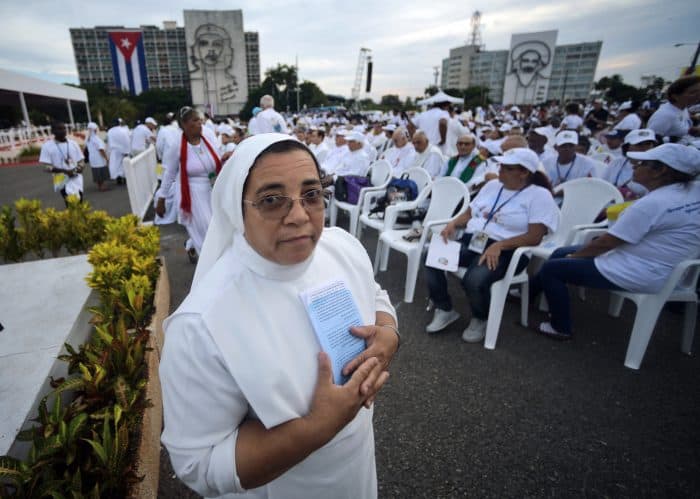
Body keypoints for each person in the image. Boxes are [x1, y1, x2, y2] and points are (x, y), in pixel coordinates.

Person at [159, 133, 399, 498]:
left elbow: (375, 294)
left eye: (312, 194)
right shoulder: (201, 325)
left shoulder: (342, 247)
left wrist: (387, 334)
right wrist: (316, 428)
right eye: (272, 200)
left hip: (357, 472)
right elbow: (198, 463)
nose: (299, 216)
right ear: (236, 210)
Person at [529, 143, 700, 339]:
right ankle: (527, 294)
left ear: (660, 171)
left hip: (640, 271)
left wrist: (575, 256)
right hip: (672, 268)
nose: (634, 166)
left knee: (554, 269)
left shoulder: (654, 203)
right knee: (560, 253)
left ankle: (560, 327)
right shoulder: (693, 191)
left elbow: (606, 243)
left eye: (641, 163)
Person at [425, 148, 559, 343]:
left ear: (524, 173)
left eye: (507, 167)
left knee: (474, 279)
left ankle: (480, 317)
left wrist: (501, 245)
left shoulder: (539, 195)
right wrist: (452, 224)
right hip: (476, 241)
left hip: (509, 250)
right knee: (432, 257)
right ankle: (444, 308)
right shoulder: (493, 186)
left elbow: (534, 236)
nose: (500, 170)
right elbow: (469, 214)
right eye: (501, 165)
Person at [155, 107, 222, 262]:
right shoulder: (177, 146)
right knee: (207, 230)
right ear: (184, 125)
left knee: (217, 227)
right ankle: (210, 265)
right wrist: (161, 198)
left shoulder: (208, 138)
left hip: (211, 188)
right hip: (192, 193)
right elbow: (169, 173)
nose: (199, 123)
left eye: (200, 120)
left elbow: (218, 159)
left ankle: (193, 247)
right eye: (195, 121)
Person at [599, 128, 656, 200]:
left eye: (648, 144)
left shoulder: (657, 169)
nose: (645, 148)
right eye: (639, 144)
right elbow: (601, 184)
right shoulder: (616, 162)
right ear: (627, 147)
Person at [39, 121, 85, 204]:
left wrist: (78, 169)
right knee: (70, 203)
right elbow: (46, 167)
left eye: (64, 128)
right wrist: (65, 171)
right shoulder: (47, 146)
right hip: (61, 179)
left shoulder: (73, 143)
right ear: (53, 131)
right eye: (59, 129)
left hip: (76, 177)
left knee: (80, 201)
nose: (63, 130)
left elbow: (81, 161)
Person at [647, 76, 700, 142]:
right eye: (692, 92)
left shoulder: (682, 108)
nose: (698, 95)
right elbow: (649, 141)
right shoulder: (665, 115)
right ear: (675, 96)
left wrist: (690, 131)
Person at [84, 122, 109, 192]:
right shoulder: (96, 138)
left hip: (92, 158)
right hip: (99, 158)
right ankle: (102, 186)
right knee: (101, 171)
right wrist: (106, 158)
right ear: (95, 129)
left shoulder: (88, 138)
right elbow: (101, 149)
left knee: (96, 171)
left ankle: (99, 185)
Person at [106, 118, 130, 185]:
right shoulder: (123, 130)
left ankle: (118, 179)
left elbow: (109, 142)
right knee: (124, 165)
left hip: (114, 151)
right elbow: (126, 141)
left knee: (116, 165)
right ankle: (125, 179)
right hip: (123, 150)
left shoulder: (110, 131)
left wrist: (109, 152)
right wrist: (127, 151)